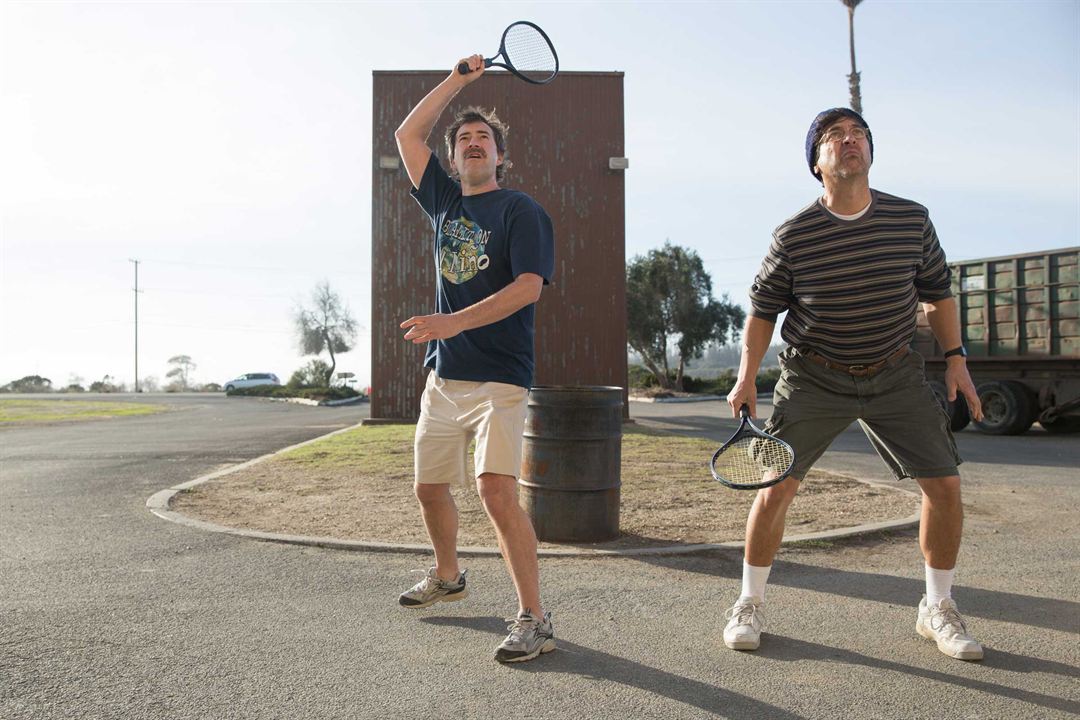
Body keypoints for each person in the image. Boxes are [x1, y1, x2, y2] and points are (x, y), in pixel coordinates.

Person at [722, 107, 986, 661]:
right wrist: (746, 377)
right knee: (776, 487)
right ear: (817, 164)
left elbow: (938, 293)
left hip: (894, 372)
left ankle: (937, 607)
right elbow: (762, 312)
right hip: (815, 376)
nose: (850, 141)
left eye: (858, 134)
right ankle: (749, 603)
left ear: (869, 152)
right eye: (834, 136)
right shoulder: (793, 235)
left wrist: (956, 359)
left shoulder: (910, 219)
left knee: (945, 487)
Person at [393, 54, 556, 663]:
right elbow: (407, 135)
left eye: (483, 137)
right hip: (445, 378)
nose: (472, 144)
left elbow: (527, 289)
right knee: (429, 488)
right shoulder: (442, 203)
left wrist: (449, 322)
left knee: (494, 491)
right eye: (463, 140)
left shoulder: (521, 211)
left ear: (500, 156)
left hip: (501, 382)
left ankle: (534, 618)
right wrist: (459, 82)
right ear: (455, 159)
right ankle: (449, 576)